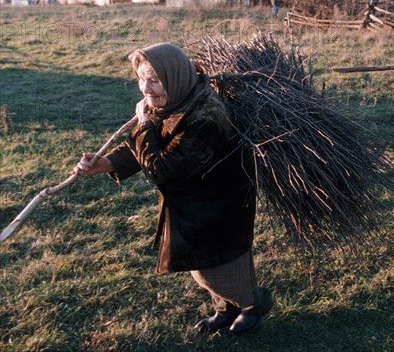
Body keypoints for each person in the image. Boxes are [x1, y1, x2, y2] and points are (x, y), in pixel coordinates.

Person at [75, 43, 273, 333]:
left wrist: (143, 126)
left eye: (154, 80)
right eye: (142, 79)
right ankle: (226, 309)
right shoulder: (176, 100)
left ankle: (253, 304)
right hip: (195, 205)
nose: (146, 88)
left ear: (175, 76)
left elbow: (161, 168)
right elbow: (145, 147)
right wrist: (104, 163)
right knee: (202, 265)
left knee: (219, 270)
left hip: (219, 208)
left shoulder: (205, 117)